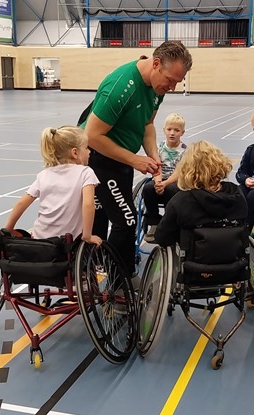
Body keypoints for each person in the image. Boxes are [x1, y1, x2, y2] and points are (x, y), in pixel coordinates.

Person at [81, 40, 192, 276]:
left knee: (110, 217)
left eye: (177, 82)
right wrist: (135, 160)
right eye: (170, 80)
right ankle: (120, 284)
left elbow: (148, 124)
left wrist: (153, 157)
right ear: (155, 64)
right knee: (127, 220)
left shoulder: (156, 87)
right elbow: (91, 136)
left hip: (121, 159)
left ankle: (100, 270)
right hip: (98, 157)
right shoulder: (121, 87)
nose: (172, 87)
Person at [4, 126, 102, 246]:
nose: (89, 151)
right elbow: (88, 204)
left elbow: (21, 203)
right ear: (75, 152)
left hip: (39, 239)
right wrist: (87, 236)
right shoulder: (85, 173)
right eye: (86, 147)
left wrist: (8, 228)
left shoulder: (43, 174)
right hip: (66, 241)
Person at [154, 140, 247, 247]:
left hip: (194, 260)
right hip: (234, 259)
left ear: (187, 170)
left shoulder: (181, 200)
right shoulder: (236, 193)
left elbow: (162, 238)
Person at [142, 113, 187, 243]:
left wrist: (165, 183)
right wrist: (158, 182)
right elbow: (156, 165)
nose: (172, 133)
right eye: (169, 129)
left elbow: (179, 172)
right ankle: (154, 222)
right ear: (164, 130)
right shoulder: (159, 148)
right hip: (159, 179)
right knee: (148, 188)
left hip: (174, 181)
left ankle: (169, 224)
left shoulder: (184, 150)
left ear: (182, 133)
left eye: (176, 130)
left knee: (172, 191)